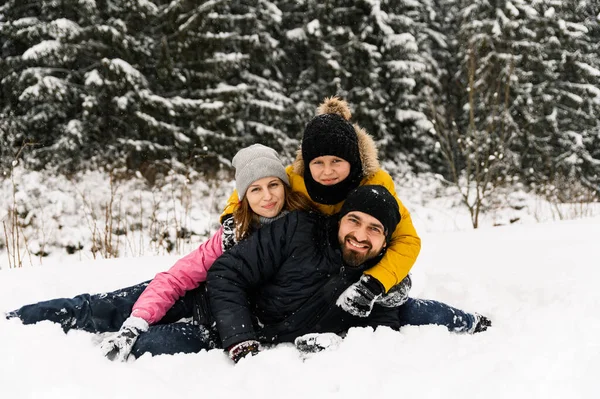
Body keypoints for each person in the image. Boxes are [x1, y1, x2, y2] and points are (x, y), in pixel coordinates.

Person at [6, 144, 315, 361]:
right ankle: (18, 319)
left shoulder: (303, 230)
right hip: (193, 297)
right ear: (244, 196)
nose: (267, 196)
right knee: (104, 308)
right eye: (256, 189)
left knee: (151, 346)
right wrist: (136, 321)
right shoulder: (232, 233)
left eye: (273, 185)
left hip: (220, 326)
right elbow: (178, 277)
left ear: (285, 186)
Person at [207, 185, 491, 363]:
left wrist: (337, 343)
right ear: (340, 219)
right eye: (354, 220)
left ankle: (472, 321)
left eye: (374, 229)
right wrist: (240, 337)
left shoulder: (375, 277)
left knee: (409, 310)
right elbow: (226, 273)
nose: (359, 235)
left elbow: (382, 329)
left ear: (386, 240)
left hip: (255, 336)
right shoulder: (298, 230)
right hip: (210, 319)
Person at [220, 97, 421, 318]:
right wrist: (232, 218)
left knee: (401, 303)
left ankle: (389, 301)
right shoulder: (295, 179)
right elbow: (252, 185)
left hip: (355, 261)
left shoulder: (374, 183)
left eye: (336, 161)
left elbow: (406, 239)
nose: (327, 172)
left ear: (352, 159)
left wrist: (377, 281)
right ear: (307, 163)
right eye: (318, 163)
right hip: (310, 270)